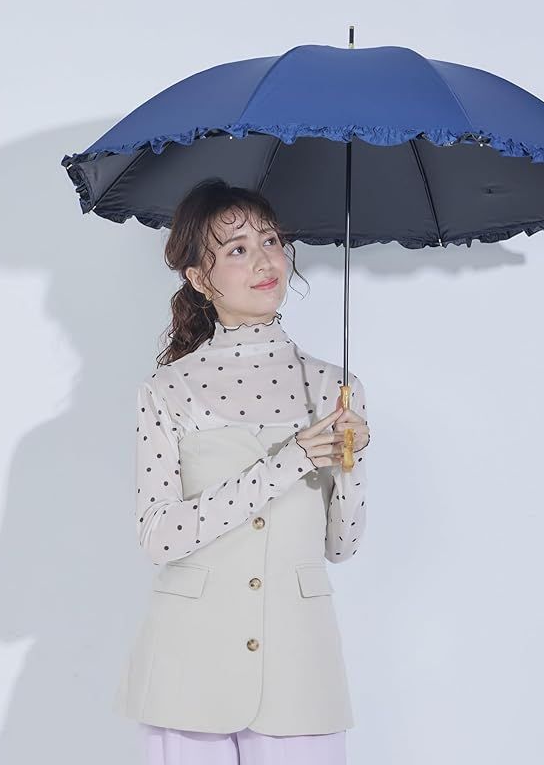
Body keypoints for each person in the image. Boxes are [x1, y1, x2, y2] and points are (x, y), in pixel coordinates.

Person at [113, 178, 371, 765]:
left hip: (300, 671)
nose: (264, 260)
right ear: (199, 280)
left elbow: (342, 546)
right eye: (237, 248)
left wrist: (351, 464)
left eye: (271, 240)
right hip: (186, 667)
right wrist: (292, 460)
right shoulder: (167, 389)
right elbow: (159, 537)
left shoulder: (335, 387)